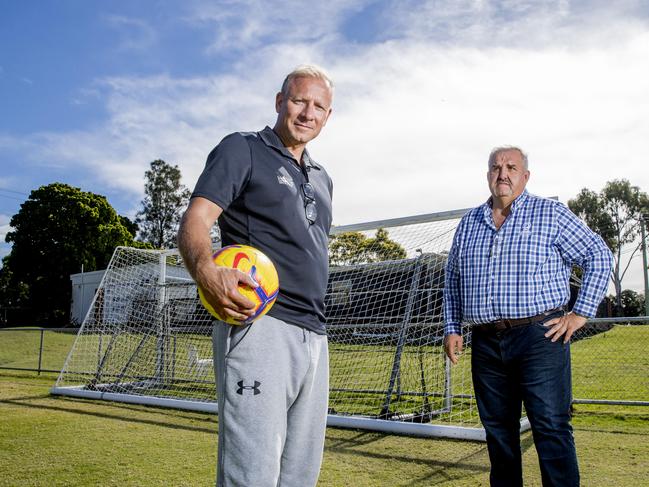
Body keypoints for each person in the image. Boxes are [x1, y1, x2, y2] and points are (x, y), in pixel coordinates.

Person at [177, 65, 334, 487]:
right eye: (300, 100)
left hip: (315, 334)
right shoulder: (242, 149)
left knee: (300, 474)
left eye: (319, 106)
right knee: (252, 475)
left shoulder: (322, 179)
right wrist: (206, 271)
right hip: (260, 325)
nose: (307, 112)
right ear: (280, 101)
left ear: (328, 116)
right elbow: (195, 220)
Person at [443, 146, 613, 487]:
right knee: (499, 434)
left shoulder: (549, 214)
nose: (502, 173)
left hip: (540, 337)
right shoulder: (469, 223)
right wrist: (451, 327)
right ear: (488, 174)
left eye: (511, 167)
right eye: (496, 167)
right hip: (487, 342)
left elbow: (599, 254)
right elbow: (452, 279)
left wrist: (580, 313)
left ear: (525, 176)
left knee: (550, 426)